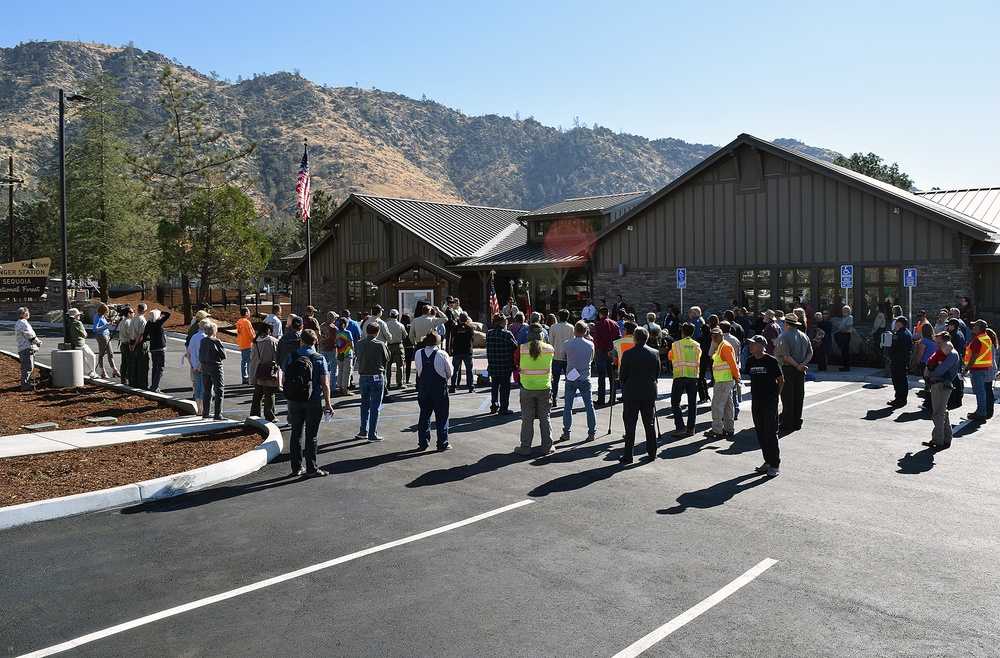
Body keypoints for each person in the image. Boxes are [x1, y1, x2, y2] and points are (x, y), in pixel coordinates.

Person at [282, 328, 334, 477]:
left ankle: (296, 468)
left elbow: (283, 379)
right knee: (312, 436)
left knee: (296, 434)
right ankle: (312, 468)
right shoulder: (319, 358)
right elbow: (325, 383)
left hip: (294, 401)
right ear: (315, 341)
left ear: (301, 340)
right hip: (313, 400)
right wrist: (328, 404)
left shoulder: (291, 356)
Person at [618, 327, 661, 464]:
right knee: (649, 423)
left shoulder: (628, 354)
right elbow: (657, 373)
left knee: (630, 425)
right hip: (648, 391)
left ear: (634, 338)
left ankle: (628, 455)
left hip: (632, 392)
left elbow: (623, 375)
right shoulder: (655, 353)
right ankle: (652, 452)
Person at [513, 324, 555, 457]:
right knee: (545, 418)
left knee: (527, 419)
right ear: (542, 335)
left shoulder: (522, 349)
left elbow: (516, 363)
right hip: (544, 387)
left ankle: (525, 447)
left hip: (527, 387)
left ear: (529, 335)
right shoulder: (549, 349)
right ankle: (547, 446)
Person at [745, 335, 783, 478]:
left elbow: (781, 380)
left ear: (761, 347)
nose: (751, 346)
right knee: (760, 430)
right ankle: (767, 461)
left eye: (753, 344)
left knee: (770, 431)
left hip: (770, 400)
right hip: (756, 400)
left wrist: (776, 396)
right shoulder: (750, 361)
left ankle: (775, 464)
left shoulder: (771, 361)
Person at [415, 331, 454, 451]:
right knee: (442, 415)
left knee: (424, 415)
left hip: (423, 387)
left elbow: (418, 369)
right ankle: (442, 442)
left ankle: (423, 442)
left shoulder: (418, 353)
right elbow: (450, 372)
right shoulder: (442, 354)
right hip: (438, 387)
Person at [559, 321, 597, 443]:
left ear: (575, 331)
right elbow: (592, 358)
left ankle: (566, 432)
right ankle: (591, 433)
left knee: (568, 406)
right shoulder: (590, 344)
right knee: (589, 406)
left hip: (572, 374)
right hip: (585, 375)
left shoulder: (568, 344)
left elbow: (563, 356)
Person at [775, 311, 812, 431]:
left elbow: (785, 356)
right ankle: (797, 421)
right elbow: (810, 352)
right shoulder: (804, 336)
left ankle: (787, 422)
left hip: (788, 369)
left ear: (786, 323)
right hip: (800, 370)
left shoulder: (784, 336)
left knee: (787, 397)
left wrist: (796, 365)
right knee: (798, 396)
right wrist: (802, 364)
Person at [923, 333, 959, 449]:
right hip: (939, 385)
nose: (937, 345)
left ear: (945, 341)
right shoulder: (945, 353)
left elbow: (940, 370)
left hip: (940, 385)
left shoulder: (951, 354)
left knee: (938, 413)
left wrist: (928, 372)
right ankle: (946, 439)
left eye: (939, 343)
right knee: (943, 412)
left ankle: (938, 440)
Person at [354, 322, 390, 441]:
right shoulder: (379, 344)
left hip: (363, 376)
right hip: (376, 376)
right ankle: (372, 433)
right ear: (377, 332)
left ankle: (363, 430)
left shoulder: (359, 344)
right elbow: (388, 358)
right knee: (375, 407)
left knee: (364, 405)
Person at [704, 327, 741, 438]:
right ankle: (728, 428)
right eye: (712, 336)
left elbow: (732, 363)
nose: (714, 337)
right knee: (727, 405)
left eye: (716, 335)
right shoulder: (721, 346)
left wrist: (736, 376)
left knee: (717, 405)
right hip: (725, 380)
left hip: (724, 380)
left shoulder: (724, 347)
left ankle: (717, 429)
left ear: (722, 335)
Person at [668, 322, 702, 437]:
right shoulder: (697, 345)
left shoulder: (676, 344)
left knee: (675, 402)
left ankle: (680, 427)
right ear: (693, 333)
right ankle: (691, 428)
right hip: (693, 376)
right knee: (692, 403)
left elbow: (670, 356)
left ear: (682, 332)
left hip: (679, 375)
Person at [485, 313, 518, 414]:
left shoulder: (489, 333)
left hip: (493, 364)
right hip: (505, 364)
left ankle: (494, 405)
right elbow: (515, 347)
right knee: (505, 387)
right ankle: (504, 407)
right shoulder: (507, 334)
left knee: (494, 386)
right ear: (502, 322)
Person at [249, 322, 281, 422]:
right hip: (269, 371)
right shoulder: (272, 341)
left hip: (257, 371)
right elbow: (278, 355)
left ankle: (254, 415)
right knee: (269, 394)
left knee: (257, 393)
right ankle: (270, 416)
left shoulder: (255, 341)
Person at [965, 319, 994, 421]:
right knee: (982, 390)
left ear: (979, 328)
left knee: (979, 391)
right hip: (983, 368)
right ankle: (982, 410)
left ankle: (981, 411)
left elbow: (974, 355)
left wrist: (966, 368)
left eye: (975, 326)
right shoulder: (987, 338)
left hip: (977, 368)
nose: (973, 328)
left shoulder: (978, 339)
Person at [592, 306, 621, 406]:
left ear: (600, 314)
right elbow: (619, 338)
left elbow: (597, 340)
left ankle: (601, 398)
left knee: (601, 376)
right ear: (608, 313)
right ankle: (612, 398)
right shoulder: (615, 324)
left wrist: (604, 350)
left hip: (602, 352)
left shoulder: (598, 325)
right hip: (612, 351)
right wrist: (612, 349)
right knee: (612, 376)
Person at [198, 321, 227, 420]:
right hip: (215, 367)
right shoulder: (216, 341)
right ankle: (218, 414)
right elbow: (223, 355)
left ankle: (205, 412)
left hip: (205, 367)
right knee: (219, 391)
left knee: (207, 390)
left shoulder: (203, 341)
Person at [548, 309, 575, 406]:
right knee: (570, 379)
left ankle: (554, 399)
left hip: (556, 356)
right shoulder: (571, 327)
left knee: (555, 380)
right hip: (568, 357)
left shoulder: (554, 327)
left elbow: (551, 342)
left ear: (559, 317)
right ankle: (568, 398)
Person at [886, 316, 914, 408]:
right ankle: (903, 399)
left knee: (897, 380)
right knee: (903, 379)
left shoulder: (898, 334)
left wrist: (888, 355)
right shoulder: (908, 333)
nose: (896, 324)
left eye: (897, 322)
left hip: (897, 360)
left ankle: (898, 399)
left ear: (900, 323)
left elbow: (893, 347)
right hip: (904, 359)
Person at [143, 308, 171, 393]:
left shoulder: (148, 324)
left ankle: (153, 385)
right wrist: (160, 311)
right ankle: (155, 386)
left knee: (155, 367)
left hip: (153, 347)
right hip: (160, 347)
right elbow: (168, 314)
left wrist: (151, 338)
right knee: (161, 368)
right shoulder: (157, 324)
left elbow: (144, 336)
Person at [446, 311, 475, 394]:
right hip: (467, 351)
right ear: (467, 319)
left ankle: (453, 387)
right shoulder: (470, 328)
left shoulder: (455, 328)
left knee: (455, 370)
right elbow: (472, 339)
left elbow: (451, 339)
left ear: (459, 319)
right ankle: (471, 386)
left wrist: (450, 349)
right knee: (469, 370)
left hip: (457, 351)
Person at [14, 307, 42, 391]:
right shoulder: (23, 323)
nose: (29, 314)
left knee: (28, 367)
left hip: (24, 347)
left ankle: (26, 385)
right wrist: (37, 341)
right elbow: (29, 334)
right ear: (23, 314)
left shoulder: (20, 323)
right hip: (26, 347)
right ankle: (25, 387)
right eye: (27, 313)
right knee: (27, 367)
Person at [66, 308, 99, 378]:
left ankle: (90, 372)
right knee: (92, 356)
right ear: (75, 316)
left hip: (73, 344)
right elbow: (84, 334)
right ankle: (93, 372)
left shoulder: (69, 323)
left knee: (83, 360)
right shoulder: (78, 323)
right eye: (78, 315)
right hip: (80, 343)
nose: (79, 316)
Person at [92, 303, 119, 378]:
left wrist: (108, 324)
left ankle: (114, 369)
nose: (107, 313)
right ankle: (103, 371)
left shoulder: (103, 317)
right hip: (101, 336)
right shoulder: (97, 317)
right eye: (106, 311)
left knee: (110, 353)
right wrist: (105, 326)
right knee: (102, 353)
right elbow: (95, 329)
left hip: (107, 335)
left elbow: (104, 325)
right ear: (103, 311)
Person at [187, 319, 208, 416]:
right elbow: (204, 354)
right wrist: (199, 366)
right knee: (204, 388)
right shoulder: (205, 337)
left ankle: (199, 409)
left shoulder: (194, 337)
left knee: (197, 387)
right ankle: (203, 409)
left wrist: (192, 365)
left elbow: (188, 353)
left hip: (194, 365)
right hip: (202, 365)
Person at [384, 308, 407, 390]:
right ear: (397, 316)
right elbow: (405, 335)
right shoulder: (401, 325)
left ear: (390, 316)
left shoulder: (386, 324)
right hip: (398, 345)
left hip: (389, 345)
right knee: (400, 364)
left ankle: (387, 382)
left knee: (388, 365)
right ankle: (399, 382)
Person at [318, 310, 339, 393]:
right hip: (332, 349)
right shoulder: (333, 328)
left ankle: (321, 385)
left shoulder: (322, 326)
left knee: (322, 368)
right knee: (334, 368)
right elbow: (337, 338)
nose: (335, 319)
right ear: (331, 319)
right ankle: (332, 386)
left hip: (323, 348)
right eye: (335, 318)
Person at [130, 302, 150, 389]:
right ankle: (142, 385)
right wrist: (135, 345)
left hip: (132, 341)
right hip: (139, 344)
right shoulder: (142, 320)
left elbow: (129, 333)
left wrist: (131, 344)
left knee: (135, 366)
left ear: (137, 310)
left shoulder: (133, 319)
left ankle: (134, 383)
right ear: (145, 310)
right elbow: (141, 335)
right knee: (143, 366)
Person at [334, 317, 354, 396]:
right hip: (347, 353)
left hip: (339, 353)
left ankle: (339, 387)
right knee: (347, 371)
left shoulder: (337, 333)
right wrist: (353, 351)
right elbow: (351, 343)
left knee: (340, 371)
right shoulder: (348, 333)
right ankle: (345, 389)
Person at [236, 306, 255, 385]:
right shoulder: (247, 322)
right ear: (246, 313)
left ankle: (244, 377)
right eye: (249, 312)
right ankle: (250, 378)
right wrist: (255, 339)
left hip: (241, 343)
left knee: (244, 361)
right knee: (249, 361)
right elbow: (251, 333)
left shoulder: (239, 321)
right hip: (248, 344)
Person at [834, 305, 855, 371]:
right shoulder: (843, 317)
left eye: (845, 310)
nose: (843, 312)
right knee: (843, 351)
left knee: (845, 351)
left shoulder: (850, 317)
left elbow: (848, 326)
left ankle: (847, 366)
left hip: (845, 334)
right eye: (843, 310)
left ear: (848, 311)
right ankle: (844, 365)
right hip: (842, 333)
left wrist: (841, 333)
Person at [117, 305, 134, 386]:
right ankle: (129, 379)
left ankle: (123, 379)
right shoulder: (129, 322)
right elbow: (129, 334)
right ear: (128, 314)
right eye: (132, 312)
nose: (133, 314)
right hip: (127, 344)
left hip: (122, 344)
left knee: (123, 363)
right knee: (129, 363)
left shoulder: (122, 322)